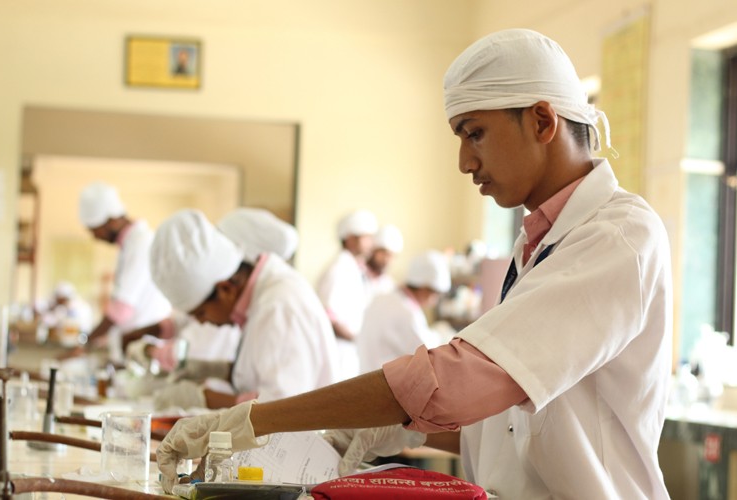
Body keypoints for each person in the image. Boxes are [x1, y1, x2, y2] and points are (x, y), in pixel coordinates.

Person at [156, 29, 673, 499]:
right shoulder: (538, 241)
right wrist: (406, 427)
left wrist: (258, 419)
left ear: (542, 121)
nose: (465, 162)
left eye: (474, 134)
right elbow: (520, 419)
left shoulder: (618, 236)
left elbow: (461, 378)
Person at [149, 209, 340, 410]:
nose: (203, 322)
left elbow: (282, 410)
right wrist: (217, 370)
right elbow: (261, 373)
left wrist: (202, 398)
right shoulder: (261, 297)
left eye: (201, 314)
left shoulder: (278, 306)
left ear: (225, 290)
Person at [77, 182, 172, 363]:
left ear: (111, 220)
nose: (96, 237)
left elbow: (122, 308)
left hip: (143, 347)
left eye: (96, 231)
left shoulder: (139, 243)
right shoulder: (130, 244)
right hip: (133, 346)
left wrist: (86, 342)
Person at [358, 250, 451, 374]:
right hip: (382, 384)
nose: (434, 302)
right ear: (424, 288)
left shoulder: (383, 298)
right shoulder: (406, 312)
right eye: (435, 294)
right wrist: (442, 335)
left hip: (366, 375)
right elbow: (428, 353)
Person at [316, 209, 379, 380]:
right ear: (350, 238)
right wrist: (358, 340)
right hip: (339, 352)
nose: (371, 243)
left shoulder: (353, 267)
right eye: (367, 237)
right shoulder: (339, 269)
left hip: (349, 352)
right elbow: (327, 315)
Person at [37, 281, 94, 346]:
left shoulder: (77, 307)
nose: (57, 301)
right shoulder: (62, 308)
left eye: (59, 299)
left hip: (78, 341)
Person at [365, 224, 404, 300]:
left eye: (391, 256)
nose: (387, 259)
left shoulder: (389, 286)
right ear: (373, 250)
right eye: (384, 253)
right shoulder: (355, 272)